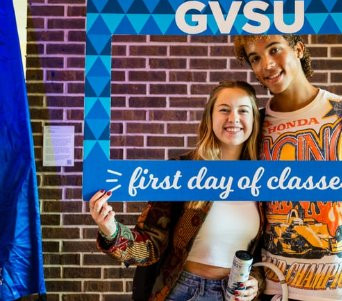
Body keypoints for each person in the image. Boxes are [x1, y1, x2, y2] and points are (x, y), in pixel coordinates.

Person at [233, 34, 342, 301]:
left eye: (275, 50)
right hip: (274, 290)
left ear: (299, 49)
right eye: (255, 58)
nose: (266, 64)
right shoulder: (254, 125)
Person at [89, 81, 265, 301]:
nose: (233, 118)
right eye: (224, 110)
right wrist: (111, 231)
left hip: (233, 296)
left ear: (254, 120)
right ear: (210, 117)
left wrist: (256, 282)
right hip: (182, 291)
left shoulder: (266, 180)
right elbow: (150, 244)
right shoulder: (181, 172)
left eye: (243, 110)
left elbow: (265, 253)